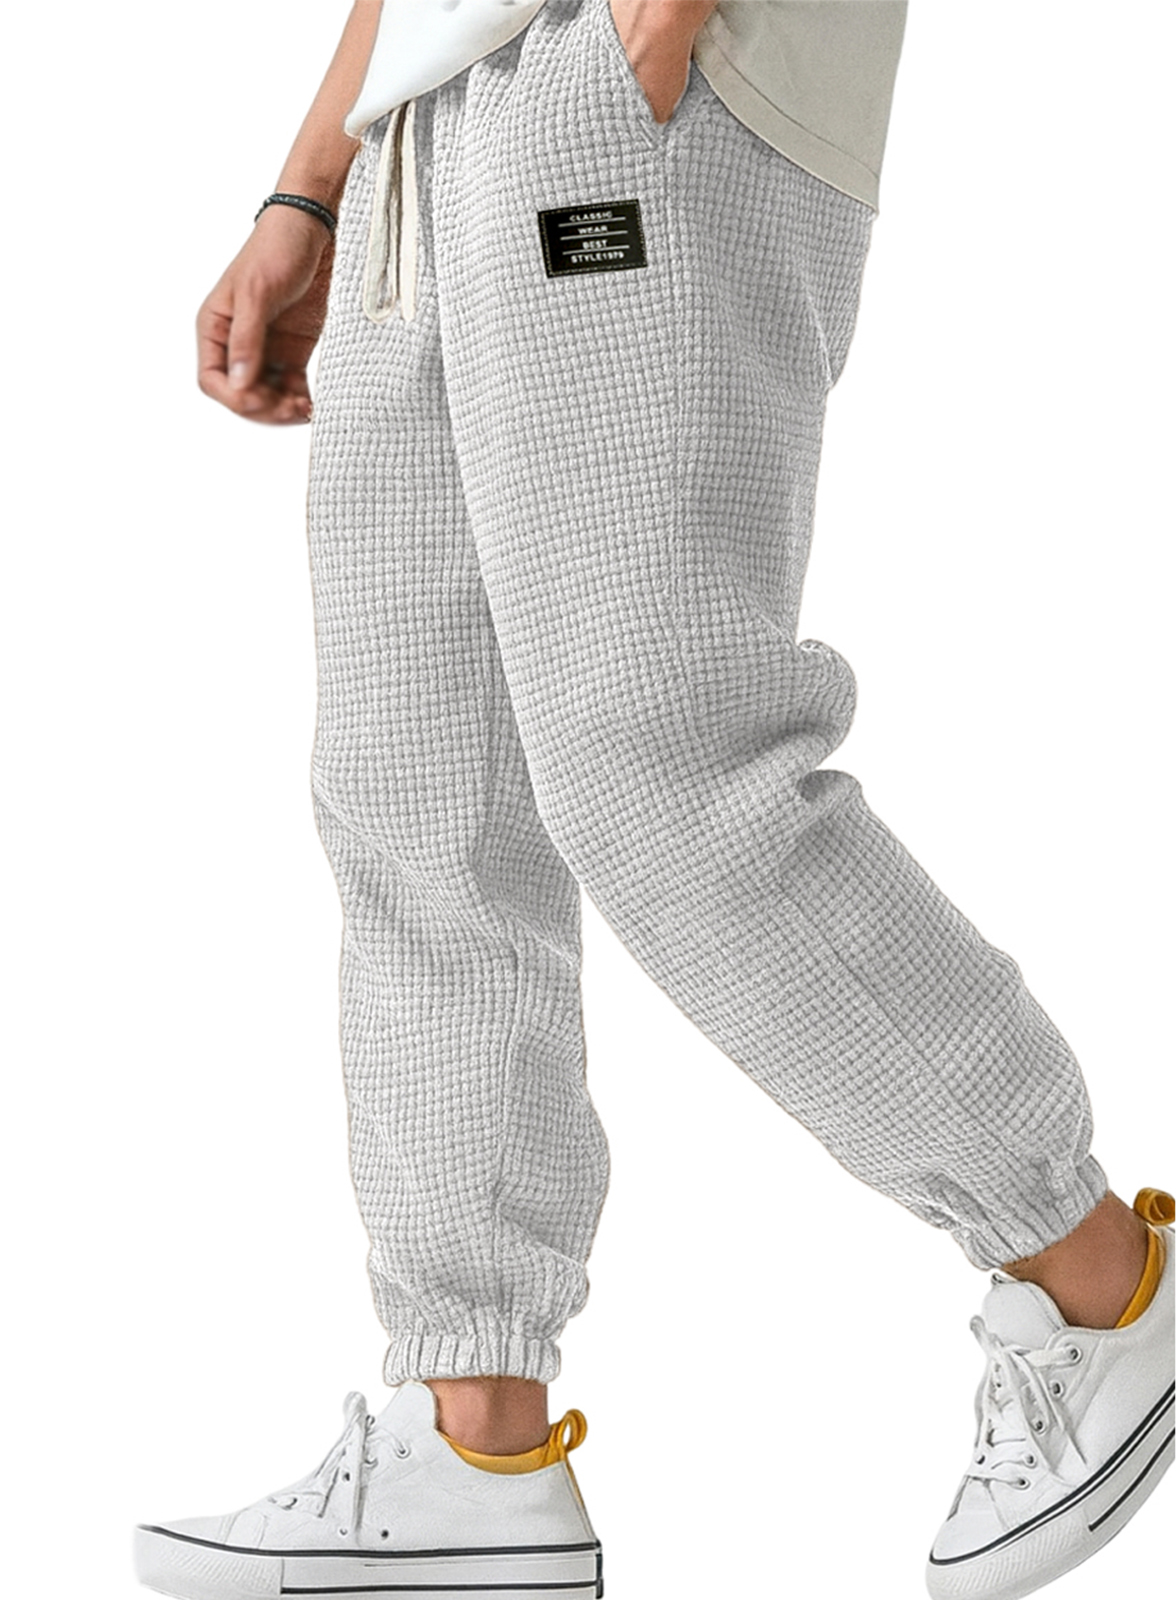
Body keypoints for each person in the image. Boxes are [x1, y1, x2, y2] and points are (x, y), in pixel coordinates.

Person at [134, 4, 1174, 1598]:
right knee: (418, 803)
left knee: (662, 761)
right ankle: (473, 1434)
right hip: (417, 146)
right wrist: (313, 182)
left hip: (623, 79)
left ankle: (1103, 1281)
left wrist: (662, 25)